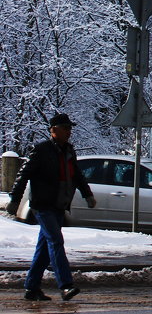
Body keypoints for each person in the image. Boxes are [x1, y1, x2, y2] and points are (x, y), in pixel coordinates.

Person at [6, 113, 96, 301]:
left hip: (59, 204)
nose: (69, 132)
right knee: (56, 241)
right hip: (43, 205)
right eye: (65, 128)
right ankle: (65, 285)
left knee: (45, 248)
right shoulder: (41, 150)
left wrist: (87, 193)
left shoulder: (69, 151)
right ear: (53, 130)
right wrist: (15, 199)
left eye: (70, 128)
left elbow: (76, 175)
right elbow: (24, 175)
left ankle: (31, 288)